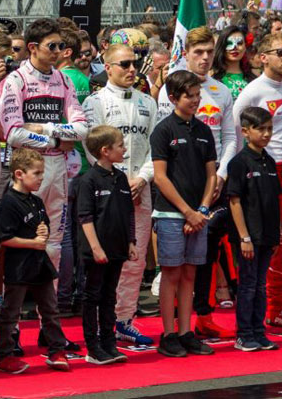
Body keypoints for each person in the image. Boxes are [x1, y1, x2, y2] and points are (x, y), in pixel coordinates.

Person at [0, 18, 88, 307]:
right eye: (53, 46)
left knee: (54, 242)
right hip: (27, 171)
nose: (60, 51)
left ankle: (47, 316)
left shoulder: (64, 80)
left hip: (59, 168)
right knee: (21, 243)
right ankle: (11, 316)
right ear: (33, 48)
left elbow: (82, 129)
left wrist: (45, 129)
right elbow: (13, 133)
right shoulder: (15, 80)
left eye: (62, 45)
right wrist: (56, 139)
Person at [157, 27, 236, 339]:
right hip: (178, 187)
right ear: (185, 53)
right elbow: (164, 137)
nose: (204, 59)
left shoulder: (221, 92)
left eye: (208, 52)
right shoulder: (170, 90)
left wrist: (222, 173)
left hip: (213, 183)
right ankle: (172, 329)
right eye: (197, 53)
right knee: (176, 266)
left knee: (205, 257)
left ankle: (201, 316)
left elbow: (230, 138)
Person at [81, 43, 156, 346]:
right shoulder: (94, 102)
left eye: (134, 63)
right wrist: (120, 183)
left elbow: (156, 147)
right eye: (123, 64)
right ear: (108, 68)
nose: (131, 69)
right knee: (108, 259)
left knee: (134, 260)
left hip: (141, 185)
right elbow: (90, 148)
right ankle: (103, 323)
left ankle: (125, 320)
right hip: (107, 191)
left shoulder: (147, 102)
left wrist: (143, 178)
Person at [232, 34, 282, 329]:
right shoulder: (252, 91)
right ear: (263, 57)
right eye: (280, 52)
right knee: (265, 244)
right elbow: (237, 130)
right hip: (263, 173)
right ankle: (254, 315)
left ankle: (276, 309)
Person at [149, 70, 217, 358]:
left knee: (190, 273)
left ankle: (186, 331)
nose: (195, 101)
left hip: (198, 214)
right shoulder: (163, 130)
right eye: (190, 96)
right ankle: (168, 333)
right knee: (171, 273)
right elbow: (161, 178)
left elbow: (211, 175)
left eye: (198, 95)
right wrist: (187, 212)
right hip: (170, 215)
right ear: (174, 97)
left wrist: (201, 210)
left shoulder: (203, 131)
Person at [0, 149, 71, 374]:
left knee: (50, 308)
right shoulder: (8, 202)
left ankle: (57, 349)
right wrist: (34, 243)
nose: (41, 178)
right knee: (11, 311)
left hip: (40, 264)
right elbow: (5, 238)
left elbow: (43, 226)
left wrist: (44, 232)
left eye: (42, 173)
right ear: (19, 173)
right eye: (36, 173)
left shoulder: (36, 201)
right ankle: (4, 355)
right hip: (18, 265)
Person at [76, 125, 136, 364]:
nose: (124, 148)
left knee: (110, 296)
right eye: (120, 145)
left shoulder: (120, 177)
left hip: (118, 248)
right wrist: (95, 247)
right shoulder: (88, 180)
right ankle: (93, 347)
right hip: (95, 251)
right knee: (93, 296)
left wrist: (131, 240)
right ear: (105, 151)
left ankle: (109, 342)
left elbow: (128, 212)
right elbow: (85, 217)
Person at [226, 107, 282, 352]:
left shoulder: (269, 160)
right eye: (261, 129)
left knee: (260, 285)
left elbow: (275, 199)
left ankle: (259, 332)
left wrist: (277, 232)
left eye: (269, 128)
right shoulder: (239, 162)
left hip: (267, 234)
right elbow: (235, 201)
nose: (267, 134)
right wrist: (244, 237)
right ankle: (244, 333)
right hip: (249, 235)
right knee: (248, 285)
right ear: (246, 132)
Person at [211, 26, 255, 101]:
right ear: (222, 46)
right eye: (229, 43)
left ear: (245, 47)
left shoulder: (254, 79)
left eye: (239, 43)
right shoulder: (214, 81)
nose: (235, 47)